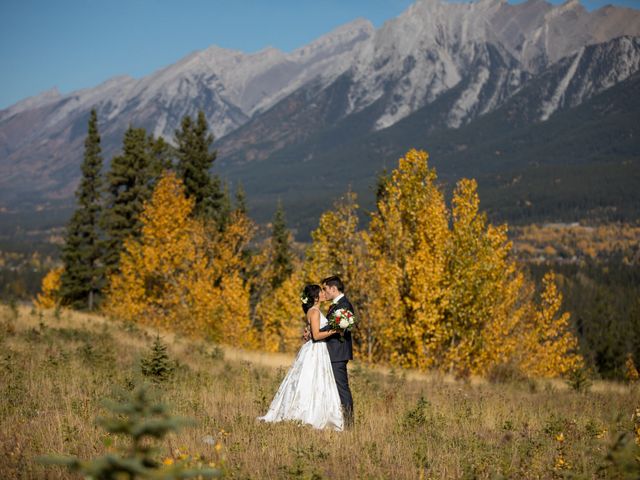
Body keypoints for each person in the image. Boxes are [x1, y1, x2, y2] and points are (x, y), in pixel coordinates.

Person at [257, 284, 344, 431]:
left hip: (315, 349)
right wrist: (335, 329)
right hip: (316, 349)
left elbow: (311, 332)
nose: (324, 293)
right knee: (311, 380)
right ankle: (307, 414)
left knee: (310, 380)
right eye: (321, 291)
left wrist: (310, 332)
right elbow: (317, 336)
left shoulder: (312, 311)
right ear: (316, 297)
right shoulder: (315, 312)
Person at [320, 275, 355, 428]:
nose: (324, 292)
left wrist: (316, 333)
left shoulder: (344, 305)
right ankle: (335, 421)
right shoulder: (337, 304)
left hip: (338, 353)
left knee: (342, 389)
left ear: (333, 289)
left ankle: (348, 425)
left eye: (325, 289)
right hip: (333, 352)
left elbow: (335, 327)